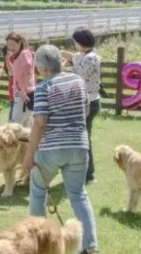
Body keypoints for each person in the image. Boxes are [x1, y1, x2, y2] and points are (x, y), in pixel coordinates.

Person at [23, 44, 99, 254]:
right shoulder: (78, 81)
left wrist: (29, 155)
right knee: (78, 194)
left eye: (38, 68)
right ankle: (90, 247)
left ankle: (39, 244)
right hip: (79, 146)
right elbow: (85, 110)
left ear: (44, 68)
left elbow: (39, 122)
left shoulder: (43, 88)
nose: (38, 72)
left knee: (38, 192)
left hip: (51, 149)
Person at [62, 28, 102, 184]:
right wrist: (59, 53)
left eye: (75, 42)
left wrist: (62, 70)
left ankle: (88, 174)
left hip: (88, 103)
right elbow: (73, 57)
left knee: (83, 140)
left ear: (81, 43)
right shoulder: (88, 55)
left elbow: (78, 76)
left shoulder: (90, 58)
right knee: (81, 138)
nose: (74, 45)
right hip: (87, 101)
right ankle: (83, 173)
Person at [5, 32, 36, 127]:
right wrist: (7, 59)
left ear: (19, 43)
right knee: (25, 126)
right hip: (22, 93)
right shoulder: (18, 55)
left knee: (14, 126)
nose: (11, 47)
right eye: (9, 45)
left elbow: (27, 72)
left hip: (23, 93)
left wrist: (23, 91)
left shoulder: (24, 54)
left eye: (13, 45)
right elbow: (13, 73)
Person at [0, 45, 16, 121]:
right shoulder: (8, 59)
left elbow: (12, 72)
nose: (10, 53)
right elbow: (3, 68)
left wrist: (7, 59)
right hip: (12, 89)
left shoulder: (17, 58)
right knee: (12, 108)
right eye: (8, 52)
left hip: (18, 89)